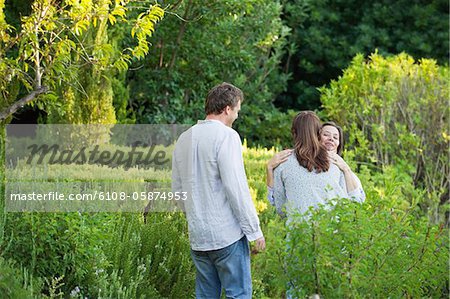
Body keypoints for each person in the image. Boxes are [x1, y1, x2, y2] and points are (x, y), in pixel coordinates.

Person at [172, 82, 266, 299]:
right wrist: (254, 230)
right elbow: (236, 188)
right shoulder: (227, 136)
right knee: (239, 295)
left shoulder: (184, 138)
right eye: (237, 112)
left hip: (198, 236)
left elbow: (177, 190)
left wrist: (195, 218)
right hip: (227, 235)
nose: (237, 117)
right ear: (227, 109)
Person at [266, 120, 365, 208]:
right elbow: (275, 201)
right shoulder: (297, 164)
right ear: (316, 137)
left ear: (339, 144)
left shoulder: (342, 170)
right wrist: (269, 167)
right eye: (326, 134)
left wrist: (346, 169)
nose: (331, 138)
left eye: (335, 137)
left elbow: (358, 201)